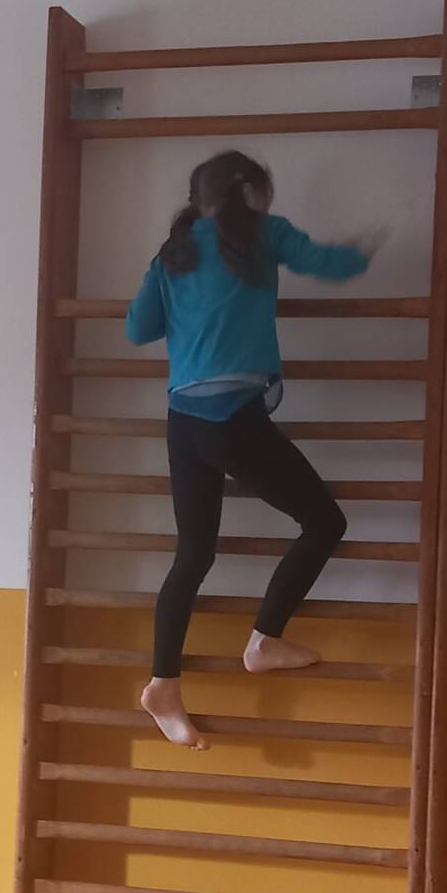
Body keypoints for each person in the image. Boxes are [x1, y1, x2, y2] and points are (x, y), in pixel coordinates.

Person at [125, 150, 378, 750]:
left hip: (184, 422)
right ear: (250, 194)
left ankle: (164, 683)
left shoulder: (172, 253)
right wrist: (364, 248)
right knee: (325, 522)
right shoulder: (264, 235)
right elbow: (329, 263)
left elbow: (138, 328)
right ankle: (264, 640)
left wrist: (181, 294)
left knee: (193, 554)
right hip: (232, 418)